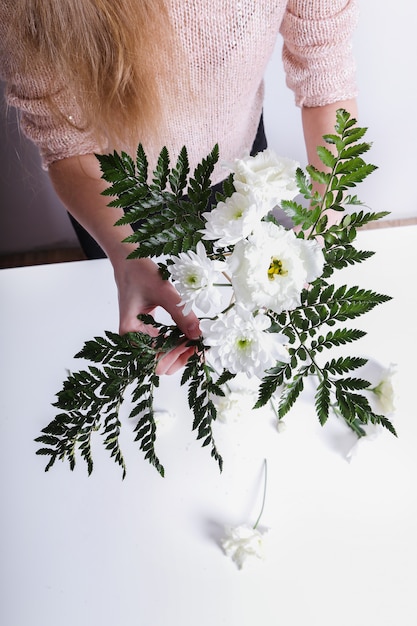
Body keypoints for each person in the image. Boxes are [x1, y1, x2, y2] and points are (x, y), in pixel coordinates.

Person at [0, 0, 359, 374]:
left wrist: (328, 207)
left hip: (240, 168)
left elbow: (324, 62)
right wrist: (128, 260)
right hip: (112, 201)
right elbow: (65, 142)